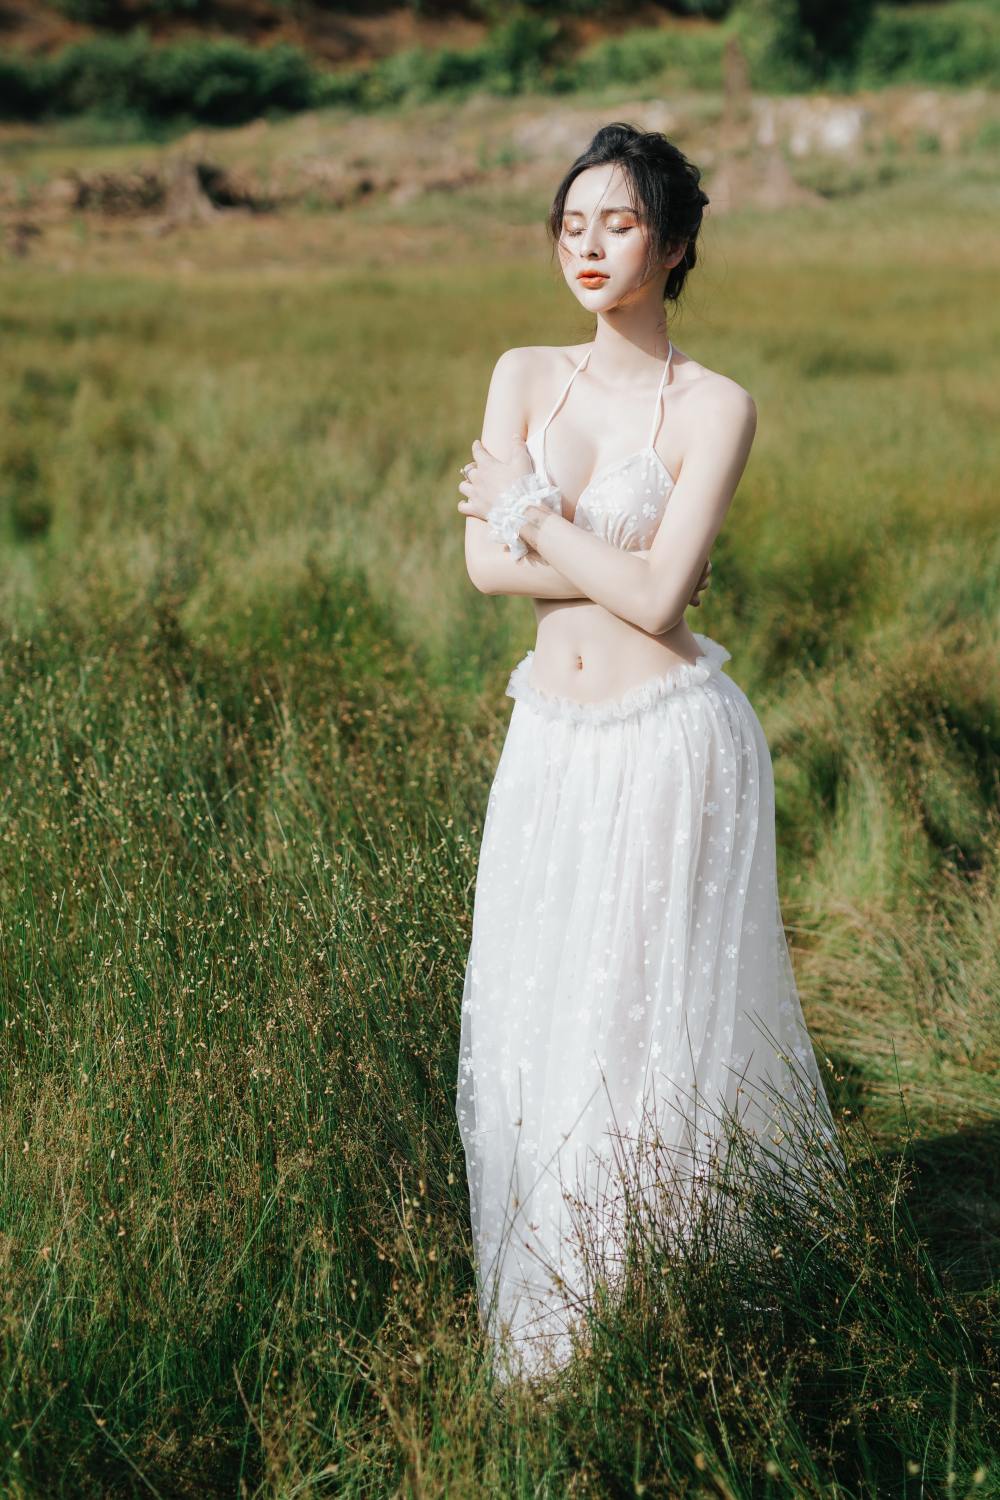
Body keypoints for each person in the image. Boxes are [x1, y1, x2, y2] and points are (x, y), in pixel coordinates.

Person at [454, 122, 841, 1387]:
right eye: (571, 224)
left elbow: (661, 598)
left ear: (672, 246)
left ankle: (660, 1312)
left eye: (618, 224)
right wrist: (590, 556)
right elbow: (482, 568)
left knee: (645, 1027)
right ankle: (552, 1329)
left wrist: (530, 512)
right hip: (547, 740)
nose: (588, 245)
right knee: (537, 1011)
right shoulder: (524, 374)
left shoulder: (714, 406)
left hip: (671, 742)